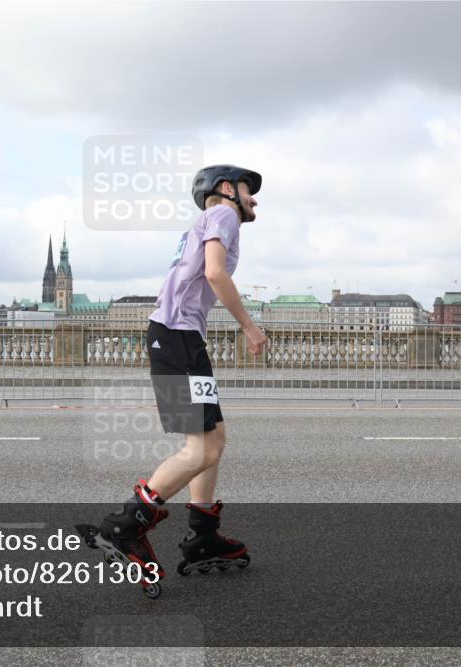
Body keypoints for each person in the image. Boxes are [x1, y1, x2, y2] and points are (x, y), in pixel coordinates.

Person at [99, 164, 267, 579]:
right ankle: (127, 525)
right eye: (248, 190)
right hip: (177, 339)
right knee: (201, 449)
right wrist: (250, 326)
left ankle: (203, 534)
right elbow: (214, 271)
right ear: (227, 189)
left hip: (176, 338)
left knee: (214, 438)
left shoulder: (207, 219)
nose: (254, 199)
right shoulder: (224, 215)